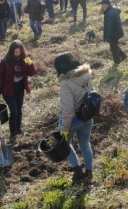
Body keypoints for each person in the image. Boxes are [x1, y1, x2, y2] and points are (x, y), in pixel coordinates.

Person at [54, 52, 95, 181]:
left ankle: (77, 170)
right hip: (87, 116)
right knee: (85, 144)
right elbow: (92, 94)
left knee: (65, 144)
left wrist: (65, 128)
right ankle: (89, 172)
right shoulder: (86, 75)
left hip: (72, 120)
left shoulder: (66, 83)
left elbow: (67, 109)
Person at [0, 40, 37, 141]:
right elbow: (0, 77)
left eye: (19, 51)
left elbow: (32, 73)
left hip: (20, 87)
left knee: (19, 109)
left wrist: (30, 63)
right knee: (14, 110)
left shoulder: (25, 59)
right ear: (11, 51)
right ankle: (12, 131)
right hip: (8, 89)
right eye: (15, 52)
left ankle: (18, 129)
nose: (17, 54)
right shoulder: (4, 61)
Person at [100, 0, 127, 65]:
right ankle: (123, 55)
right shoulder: (113, 9)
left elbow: (110, 27)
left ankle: (117, 62)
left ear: (106, 4)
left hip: (113, 33)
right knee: (114, 45)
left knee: (113, 49)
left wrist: (108, 37)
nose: (101, 6)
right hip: (117, 31)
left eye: (102, 4)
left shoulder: (109, 14)